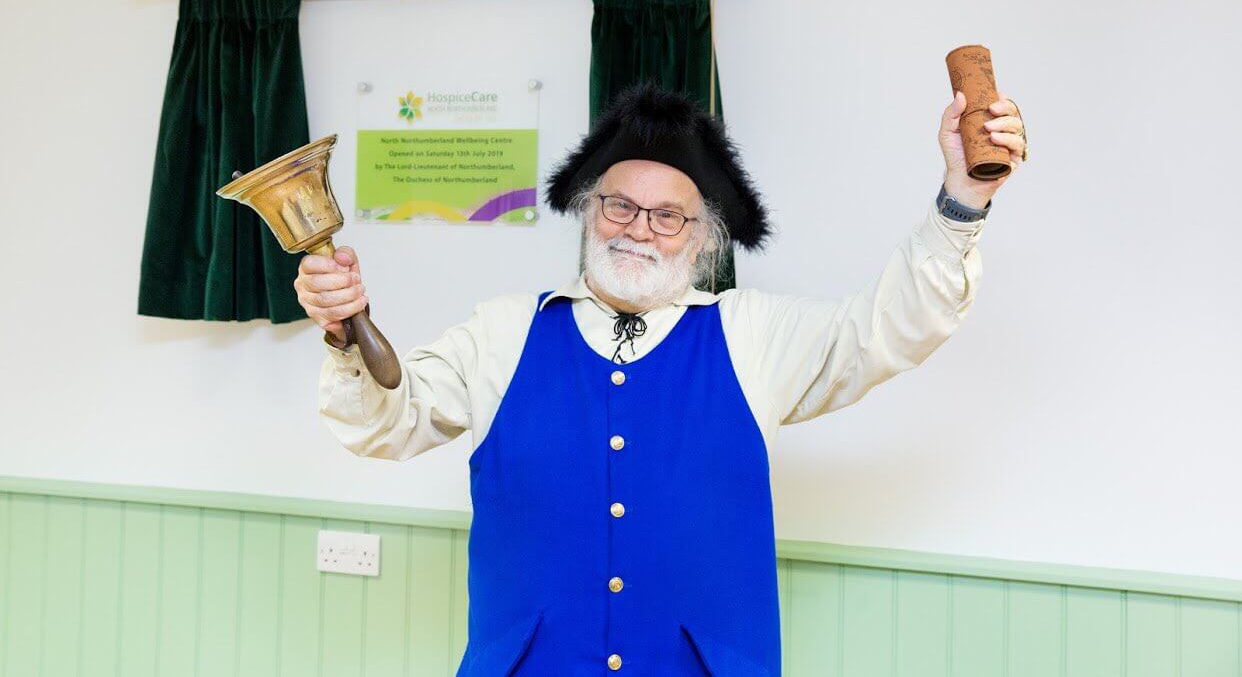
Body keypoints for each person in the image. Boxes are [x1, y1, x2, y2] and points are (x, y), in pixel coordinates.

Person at [296, 81, 1027, 675]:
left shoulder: (753, 334)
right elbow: (384, 423)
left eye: (668, 216)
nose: (637, 228)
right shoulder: (503, 331)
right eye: (619, 205)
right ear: (589, 212)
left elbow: (892, 325)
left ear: (703, 238)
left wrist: (963, 198)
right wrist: (342, 334)